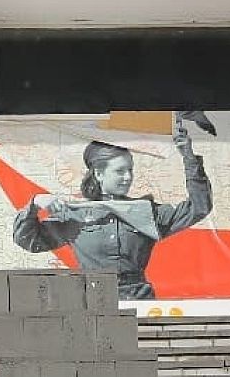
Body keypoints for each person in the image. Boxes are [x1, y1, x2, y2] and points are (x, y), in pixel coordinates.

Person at [12, 116, 212, 300]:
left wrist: (188, 155)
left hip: (139, 302)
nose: (128, 177)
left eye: (130, 170)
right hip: (93, 303)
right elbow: (29, 241)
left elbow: (199, 207)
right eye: (120, 171)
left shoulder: (146, 212)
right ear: (99, 174)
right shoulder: (75, 214)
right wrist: (35, 204)